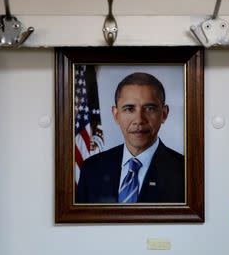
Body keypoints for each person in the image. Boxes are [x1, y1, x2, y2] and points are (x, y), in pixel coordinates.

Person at [76, 72, 184, 203]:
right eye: (129, 109)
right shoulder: (91, 169)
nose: (139, 120)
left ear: (164, 114)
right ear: (116, 115)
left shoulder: (185, 171)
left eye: (149, 108)